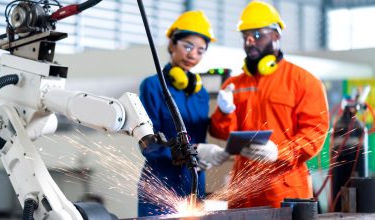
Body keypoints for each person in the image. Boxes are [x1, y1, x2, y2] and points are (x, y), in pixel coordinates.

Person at [210, 1, 329, 209]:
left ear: (276, 35)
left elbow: (315, 131)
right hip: (243, 190)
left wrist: (280, 152)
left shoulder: (304, 81)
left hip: (284, 190)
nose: (249, 42)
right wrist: (224, 111)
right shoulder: (234, 84)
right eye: (245, 36)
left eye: (257, 35)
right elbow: (222, 133)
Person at [138, 10, 229, 217]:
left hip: (193, 184)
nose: (192, 55)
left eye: (200, 50)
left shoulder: (201, 93)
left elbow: (202, 137)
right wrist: (191, 151)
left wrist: (224, 113)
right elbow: (148, 144)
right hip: (159, 185)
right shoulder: (152, 86)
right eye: (187, 46)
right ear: (171, 44)